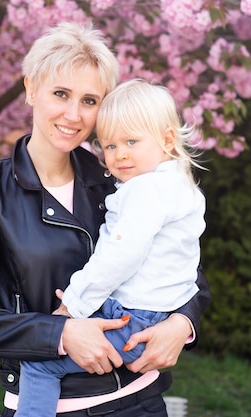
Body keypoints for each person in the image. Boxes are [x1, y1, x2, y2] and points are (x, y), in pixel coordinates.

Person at [0, 22, 212, 417]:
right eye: (61, 94)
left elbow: (182, 262)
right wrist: (60, 333)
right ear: (31, 89)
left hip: (140, 402)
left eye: (89, 100)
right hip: (45, 407)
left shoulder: (121, 179)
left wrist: (183, 325)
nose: (73, 114)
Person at [14, 78, 206, 417]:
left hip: (133, 318)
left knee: (39, 361)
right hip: (152, 314)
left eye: (131, 141)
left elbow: (120, 256)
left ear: (167, 139)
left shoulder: (145, 191)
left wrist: (72, 306)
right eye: (110, 146)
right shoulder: (179, 186)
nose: (119, 155)